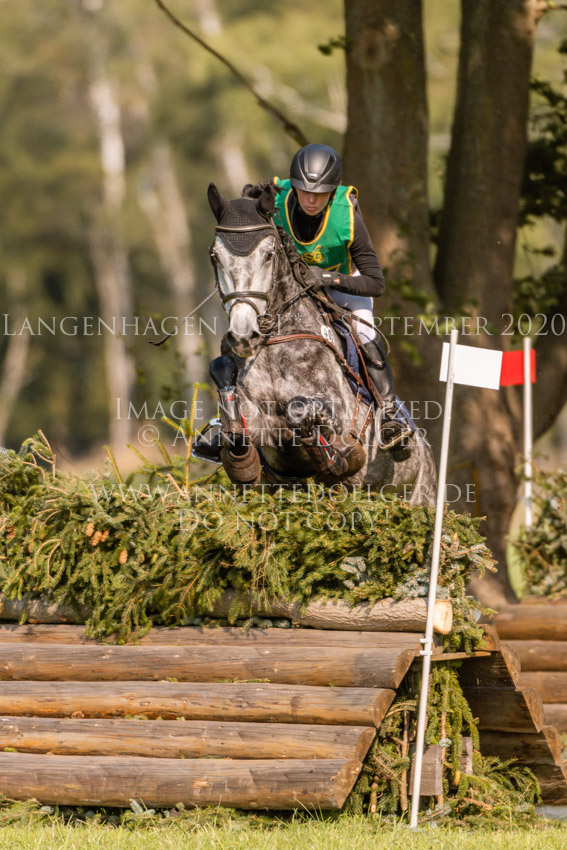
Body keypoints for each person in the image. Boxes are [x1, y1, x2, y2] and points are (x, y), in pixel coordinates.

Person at [272, 143, 411, 450]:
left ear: (333, 191)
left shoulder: (347, 219)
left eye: (320, 193)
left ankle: (390, 414)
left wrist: (328, 278)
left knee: (364, 331)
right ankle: (228, 422)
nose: (311, 200)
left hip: (343, 287)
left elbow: (376, 283)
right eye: (304, 191)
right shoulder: (276, 200)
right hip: (291, 291)